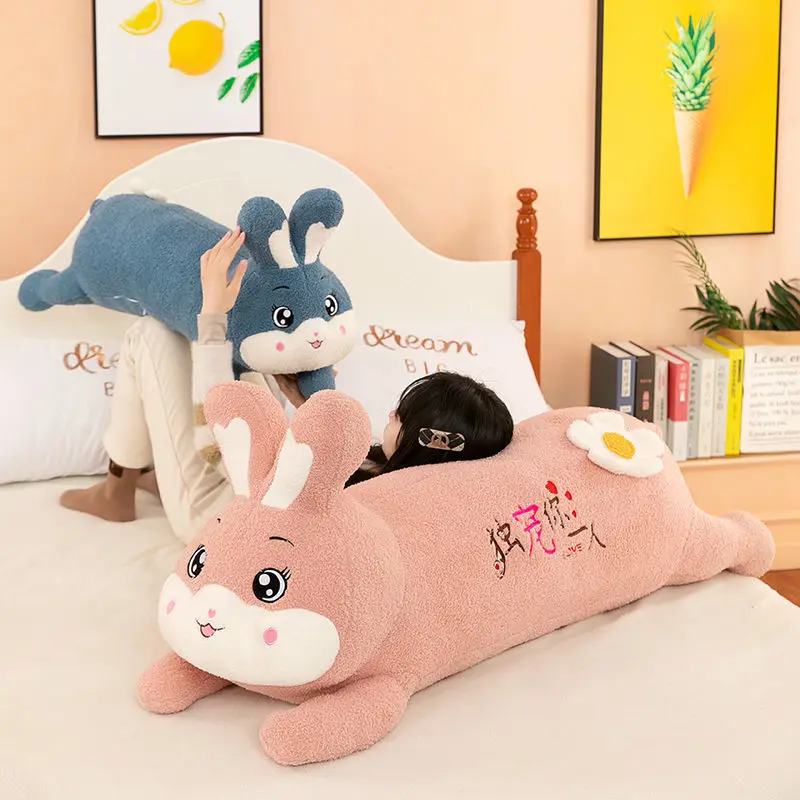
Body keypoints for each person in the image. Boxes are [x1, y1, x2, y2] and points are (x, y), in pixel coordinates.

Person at [61, 229, 514, 541]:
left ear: (429, 441)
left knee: (152, 334)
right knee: (257, 359)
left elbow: (219, 440)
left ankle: (116, 490)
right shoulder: (401, 483)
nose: (391, 414)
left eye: (403, 415)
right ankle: (151, 478)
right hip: (246, 482)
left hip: (216, 511)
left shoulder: (342, 490)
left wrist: (212, 316)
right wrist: (304, 404)